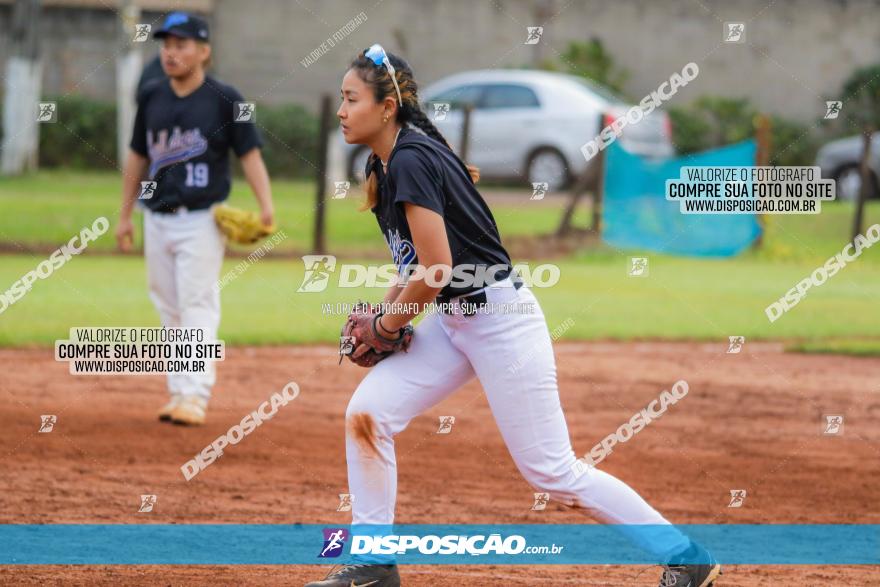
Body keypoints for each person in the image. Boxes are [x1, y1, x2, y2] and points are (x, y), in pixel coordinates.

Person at [304, 45, 722, 587]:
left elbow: (437, 269)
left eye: (351, 98)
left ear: (386, 108)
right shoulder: (386, 161)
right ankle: (373, 564)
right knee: (368, 414)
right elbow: (411, 263)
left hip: (500, 319)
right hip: (455, 321)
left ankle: (687, 556)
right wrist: (390, 312)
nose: (340, 109)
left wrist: (386, 327)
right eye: (341, 98)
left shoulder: (410, 158)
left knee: (552, 471)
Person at [115, 12, 274, 426]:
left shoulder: (226, 100)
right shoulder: (150, 95)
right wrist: (124, 215)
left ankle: (196, 395)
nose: (171, 52)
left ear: (204, 52)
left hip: (202, 219)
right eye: (166, 44)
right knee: (168, 306)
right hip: (157, 218)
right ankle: (178, 392)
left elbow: (249, 154)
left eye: (182, 44)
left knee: (197, 303)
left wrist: (266, 206)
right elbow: (138, 156)